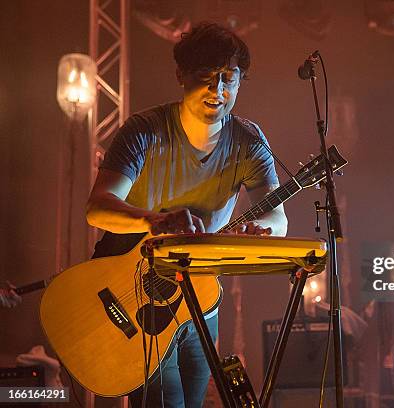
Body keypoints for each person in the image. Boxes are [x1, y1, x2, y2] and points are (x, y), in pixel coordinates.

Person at [86, 22, 287, 408]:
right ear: (181, 76)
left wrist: (259, 229)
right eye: (205, 78)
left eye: (229, 78)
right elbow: (97, 208)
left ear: (241, 81)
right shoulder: (143, 131)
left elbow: (278, 219)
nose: (218, 91)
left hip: (200, 297)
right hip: (132, 289)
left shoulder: (249, 141)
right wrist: (155, 220)